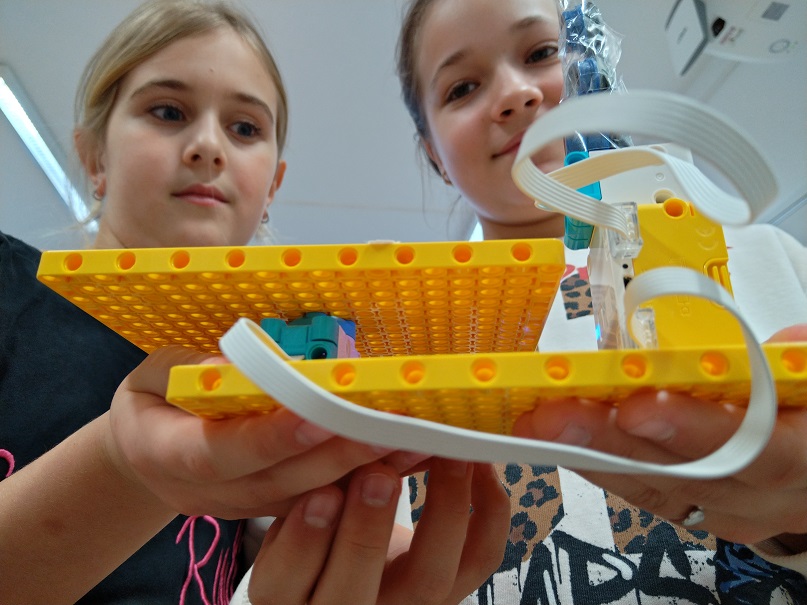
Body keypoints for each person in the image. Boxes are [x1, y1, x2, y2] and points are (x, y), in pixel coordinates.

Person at [0, 1, 510, 603]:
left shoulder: (259, 378)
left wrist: (357, 543)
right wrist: (122, 467)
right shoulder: (11, 289)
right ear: (94, 157)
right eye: (168, 111)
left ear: (272, 188)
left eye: (244, 128)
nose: (207, 146)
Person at [396, 0, 807, 602]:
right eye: (462, 87)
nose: (515, 94)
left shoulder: (770, 258)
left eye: (541, 53)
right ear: (433, 151)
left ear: (593, 67)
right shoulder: (412, 344)